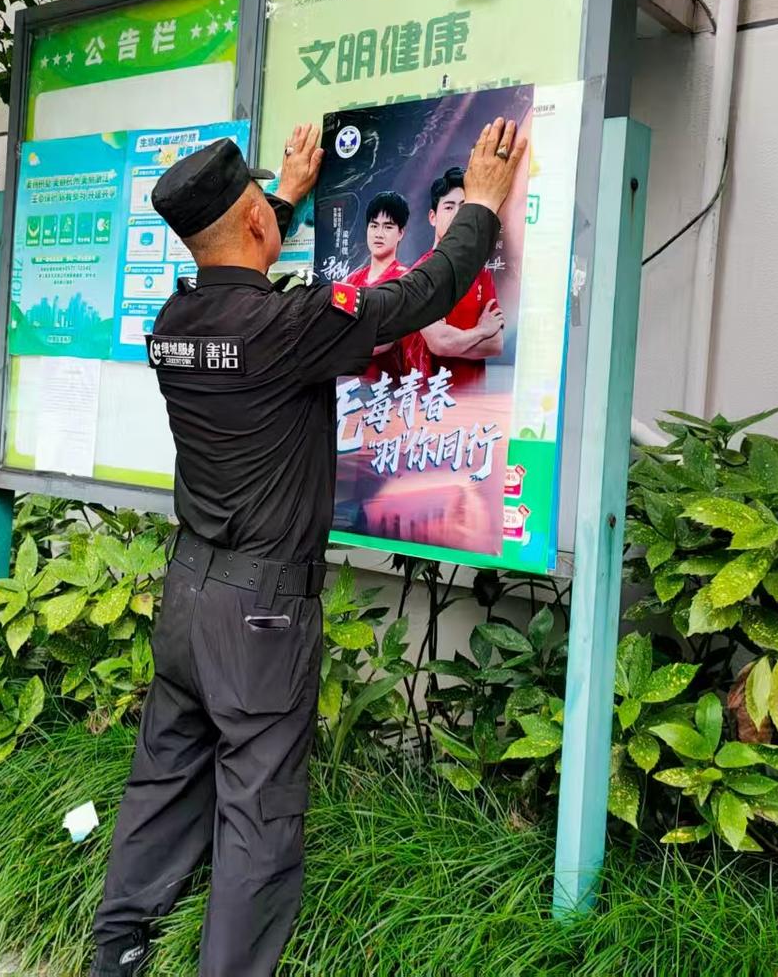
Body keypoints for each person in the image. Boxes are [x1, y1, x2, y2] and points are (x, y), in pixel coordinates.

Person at [90, 119, 527, 977]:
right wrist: (479, 202)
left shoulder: (175, 321)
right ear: (255, 223)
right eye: (266, 208)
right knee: (258, 811)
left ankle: (119, 948)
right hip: (259, 617)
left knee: (165, 775)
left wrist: (285, 193)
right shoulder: (286, 327)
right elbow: (420, 294)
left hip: (188, 595)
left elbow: (236, 259)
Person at [405, 166, 505, 391]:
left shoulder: (482, 274)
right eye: (449, 207)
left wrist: (456, 340)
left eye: (464, 207)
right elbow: (439, 343)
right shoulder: (420, 273)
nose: (458, 215)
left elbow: (496, 345)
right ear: (433, 217)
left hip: (474, 401)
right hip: (431, 400)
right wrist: (481, 332)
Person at [345, 191, 412, 383]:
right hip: (348, 388)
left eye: (388, 227)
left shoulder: (406, 279)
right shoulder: (351, 281)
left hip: (390, 388)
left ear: (401, 233)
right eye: (374, 225)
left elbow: (385, 341)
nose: (379, 234)